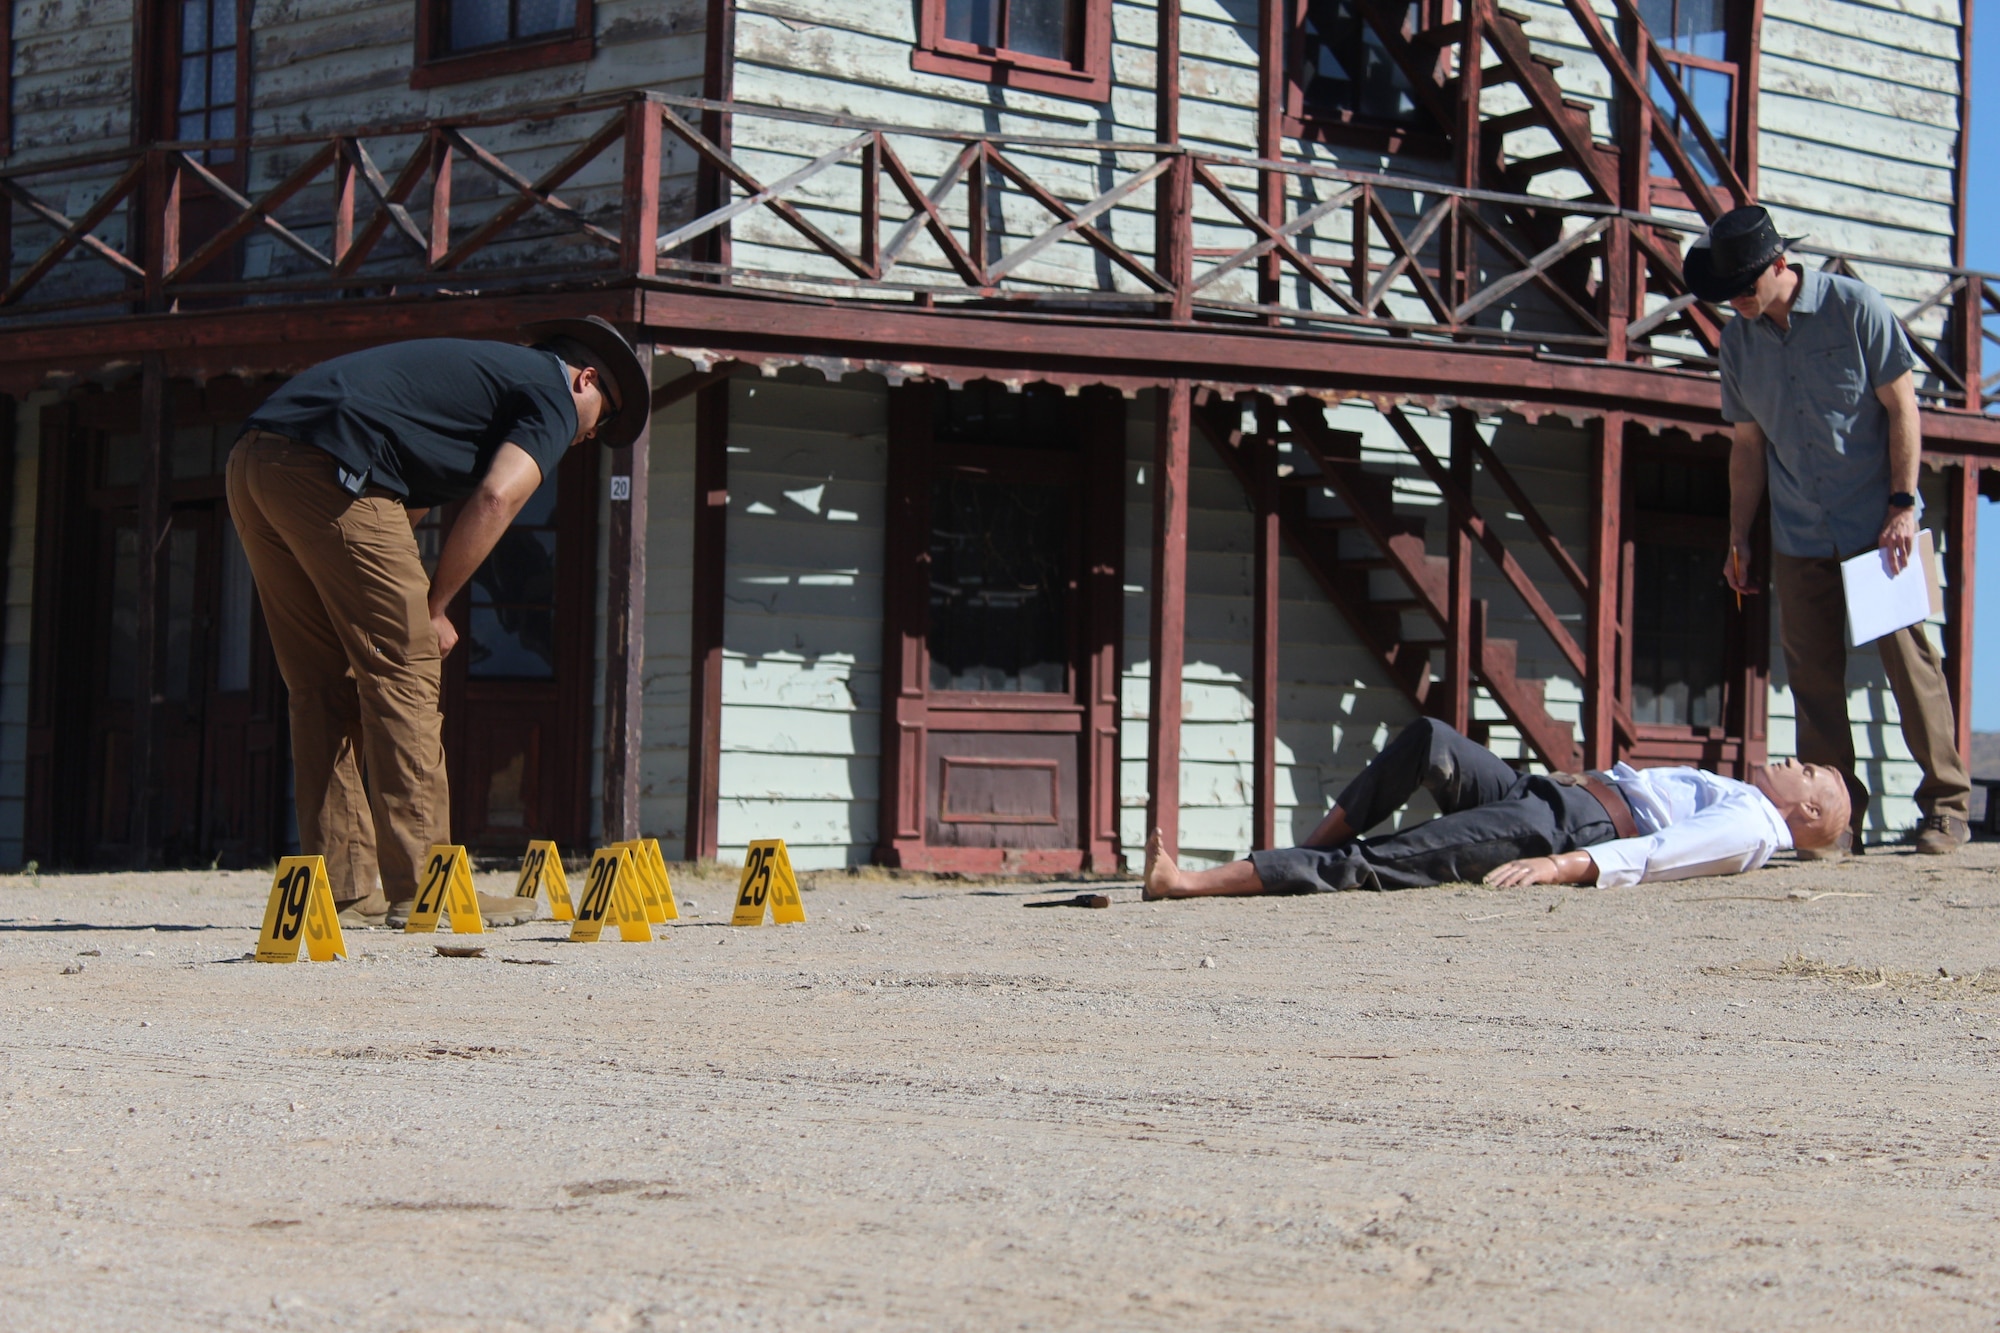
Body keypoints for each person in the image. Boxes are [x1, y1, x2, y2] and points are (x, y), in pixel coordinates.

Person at [225, 317, 649, 927]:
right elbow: (500, 497)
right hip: (333, 468)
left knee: (322, 684)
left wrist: (420, 595)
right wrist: (434, 606)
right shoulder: (553, 395)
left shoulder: (481, 385)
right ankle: (431, 890)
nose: (589, 437)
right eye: (601, 419)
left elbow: (401, 501)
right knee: (407, 668)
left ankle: (343, 891)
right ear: (586, 378)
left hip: (257, 461)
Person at [1690, 205, 1971, 858]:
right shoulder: (1738, 343)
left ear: (1779, 266)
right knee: (1812, 682)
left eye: (1743, 287)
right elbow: (1747, 447)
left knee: (1911, 668)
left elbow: (1903, 406)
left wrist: (1904, 503)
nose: (1735, 301)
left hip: (1879, 525)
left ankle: (1948, 806)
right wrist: (1739, 534)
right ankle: (1837, 823)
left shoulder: (1856, 307)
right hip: (1798, 530)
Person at [1142, 718, 1848, 899]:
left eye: (1806, 770)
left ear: (1808, 813)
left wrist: (1568, 865)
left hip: (1564, 825)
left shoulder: (1753, 825)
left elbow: (1665, 854)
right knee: (1429, 741)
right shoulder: (1751, 795)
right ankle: (1304, 844)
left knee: (1386, 860)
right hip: (1548, 791)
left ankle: (1189, 883)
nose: (1793, 761)